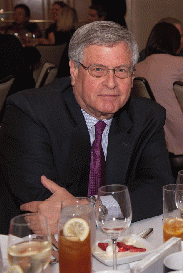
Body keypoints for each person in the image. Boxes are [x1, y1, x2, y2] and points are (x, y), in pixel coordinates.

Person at [0, 21, 174, 234]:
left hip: (115, 243)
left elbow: (160, 190)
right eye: (98, 70)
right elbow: (43, 203)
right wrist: (103, 208)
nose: (111, 83)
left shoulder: (147, 116)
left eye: (121, 70)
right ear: (74, 70)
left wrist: (91, 210)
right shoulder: (29, 111)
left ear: (132, 75)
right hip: (34, 247)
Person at [135, 22, 183, 175]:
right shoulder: (180, 63)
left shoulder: (137, 67)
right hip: (180, 138)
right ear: (175, 42)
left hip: (152, 137)